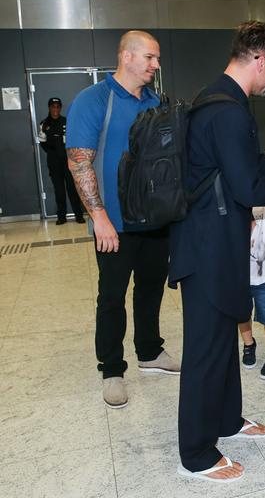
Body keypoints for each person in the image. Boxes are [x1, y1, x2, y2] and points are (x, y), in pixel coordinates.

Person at [169, 20, 265, 483]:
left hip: (217, 240)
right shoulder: (228, 110)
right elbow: (249, 187)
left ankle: (226, 420)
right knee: (205, 349)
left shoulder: (220, 98)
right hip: (207, 247)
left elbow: (236, 165)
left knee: (223, 340)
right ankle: (195, 454)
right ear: (261, 59)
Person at [66, 30, 180, 409]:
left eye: (158, 58)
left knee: (150, 289)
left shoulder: (153, 100)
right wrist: (98, 216)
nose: (156, 65)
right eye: (150, 57)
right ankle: (112, 369)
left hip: (153, 220)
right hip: (112, 223)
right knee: (112, 296)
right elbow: (79, 160)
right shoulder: (94, 99)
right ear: (127, 57)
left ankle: (150, 351)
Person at [238, 203, 265, 379]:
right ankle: (249, 345)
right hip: (238, 277)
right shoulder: (232, 213)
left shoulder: (264, 210)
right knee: (241, 313)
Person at [39, 97, 84, 224]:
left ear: (60, 108)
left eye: (58, 107)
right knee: (59, 190)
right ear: (49, 108)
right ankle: (61, 217)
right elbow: (42, 143)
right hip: (54, 162)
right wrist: (53, 152)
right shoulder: (44, 124)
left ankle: (78, 215)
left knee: (72, 189)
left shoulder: (67, 122)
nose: (55, 109)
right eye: (53, 107)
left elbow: (74, 138)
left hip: (68, 161)